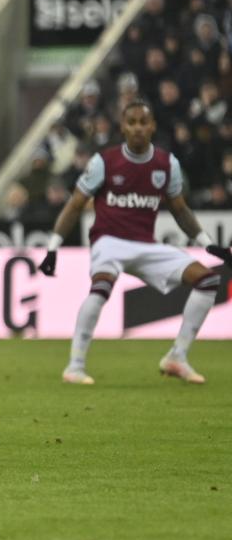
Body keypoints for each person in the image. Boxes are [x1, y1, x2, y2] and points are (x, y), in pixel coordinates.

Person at [38, 100, 232, 385]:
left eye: (144, 122)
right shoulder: (104, 162)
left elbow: (179, 209)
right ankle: (75, 366)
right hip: (109, 240)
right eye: (132, 122)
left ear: (152, 126)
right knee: (101, 288)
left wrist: (206, 243)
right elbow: (76, 204)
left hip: (146, 245)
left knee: (207, 280)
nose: (138, 128)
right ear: (123, 127)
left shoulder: (167, 164)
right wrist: (53, 246)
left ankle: (177, 356)